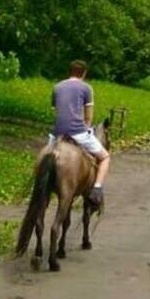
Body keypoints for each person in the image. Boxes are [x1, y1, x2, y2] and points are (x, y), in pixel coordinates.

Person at [50, 60, 110, 205]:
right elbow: (88, 116)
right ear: (84, 73)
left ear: (69, 71)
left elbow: (56, 110)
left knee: (46, 156)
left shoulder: (57, 87)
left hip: (57, 132)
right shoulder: (86, 88)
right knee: (105, 157)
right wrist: (87, 128)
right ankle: (96, 189)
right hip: (78, 132)